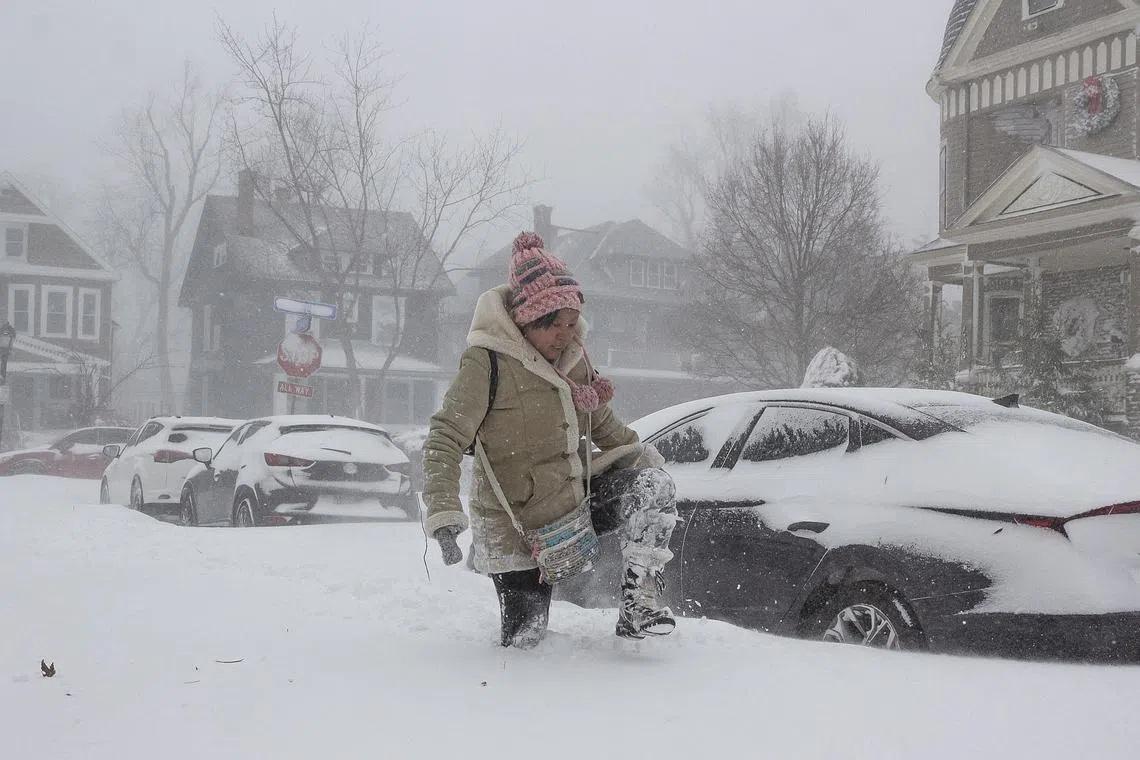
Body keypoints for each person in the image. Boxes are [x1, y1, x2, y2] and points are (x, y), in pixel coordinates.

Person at [422, 231, 679, 648]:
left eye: (571, 323)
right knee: (527, 643)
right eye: (554, 325)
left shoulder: (575, 362)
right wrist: (444, 513)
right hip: (516, 524)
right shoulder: (487, 361)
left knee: (652, 485)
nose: (565, 335)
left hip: (573, 503)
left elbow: (607, 429)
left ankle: (640, 605)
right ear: (526, 319)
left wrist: (653, 463)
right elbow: (445, 437)